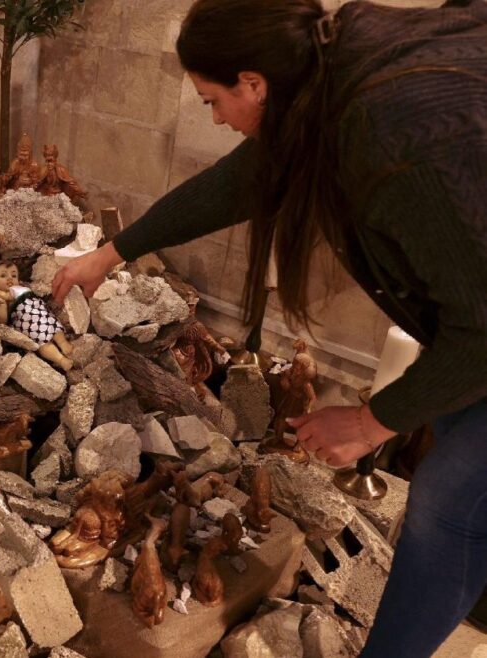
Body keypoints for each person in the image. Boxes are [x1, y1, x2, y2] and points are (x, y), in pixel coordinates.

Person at [51, 1, 487, 655]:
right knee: (462, 487)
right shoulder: (327, 78)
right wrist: (111, 253)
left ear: (253, 83)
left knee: (446, 510)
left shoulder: (393, 136)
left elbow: (480, 332)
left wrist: (372, 422)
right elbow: (238, 183)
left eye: (212, 101)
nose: (216, 119)